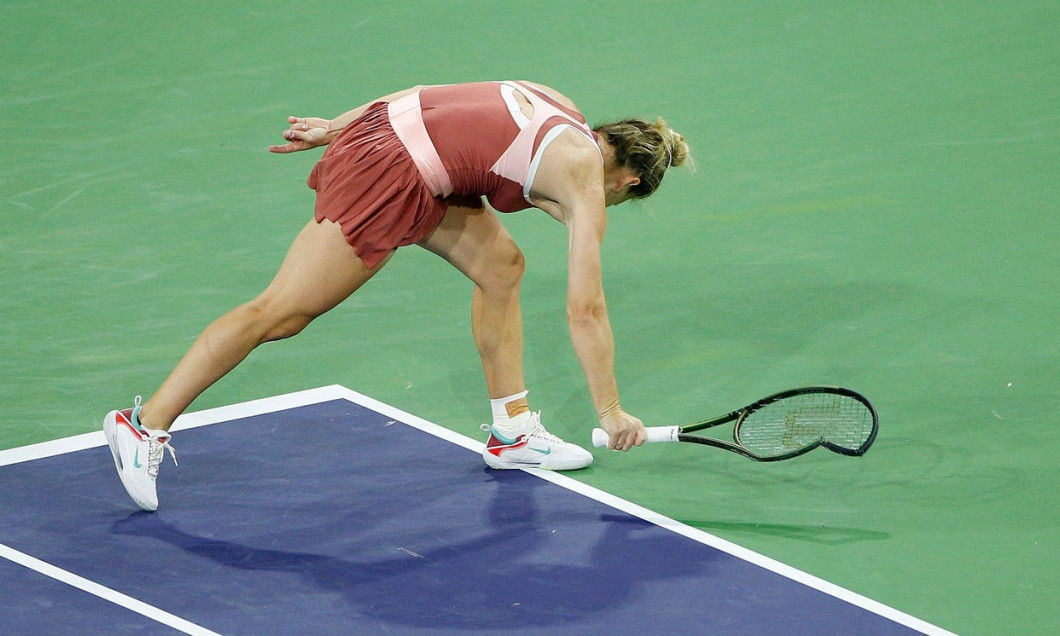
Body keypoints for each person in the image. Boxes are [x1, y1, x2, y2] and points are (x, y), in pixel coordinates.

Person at [103, 80, 692, 511]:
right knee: (281, 312)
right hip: (391, 171)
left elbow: (420, 94)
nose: (607, 204)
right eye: (620, 199)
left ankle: (512, 432)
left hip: (388, 139)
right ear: (628, 181)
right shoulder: (586, 179)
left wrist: (339, 126)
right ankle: (144, 425)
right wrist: (611, 411)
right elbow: (584, 309)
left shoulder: (556, 104)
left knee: (502, 266)